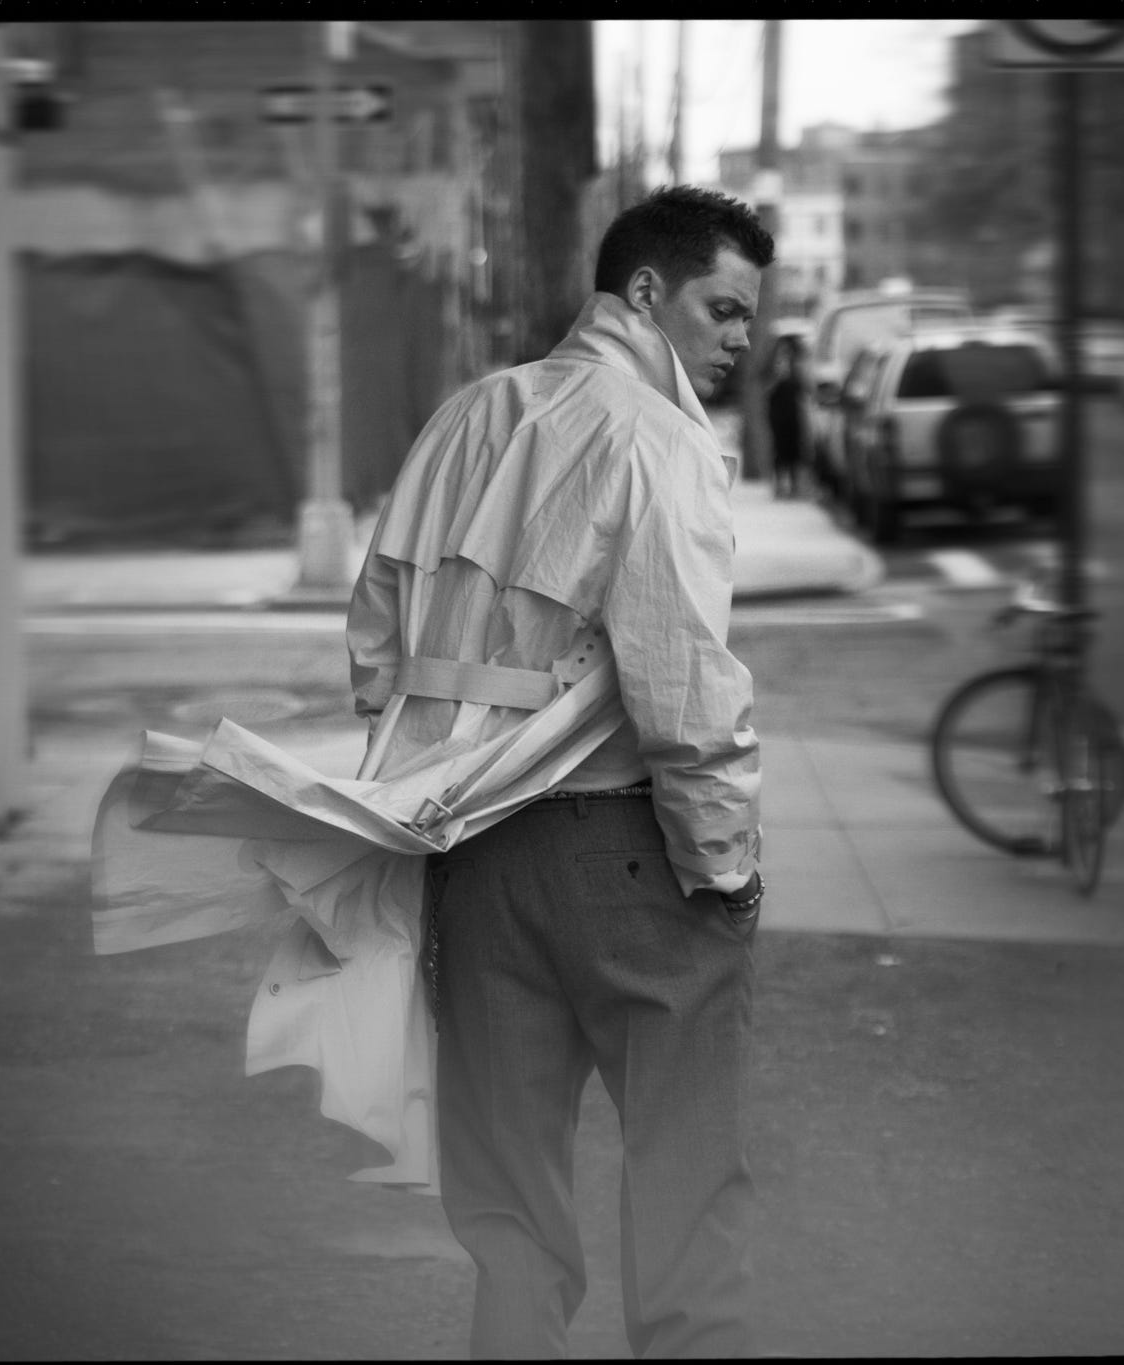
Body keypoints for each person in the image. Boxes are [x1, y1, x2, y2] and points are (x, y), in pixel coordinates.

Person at [346, 186, 771, 1359]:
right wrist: (724, 870)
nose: (740, 338)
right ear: (645, 292)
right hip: (630, 862)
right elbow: (685, 693)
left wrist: (441, 779)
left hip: (476, 862)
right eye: (722, 309)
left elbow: (377, 638)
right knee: (686, 1195)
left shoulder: (469, 416)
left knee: (509, 1217)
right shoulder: (659, 441)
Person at [767, 332, 808, 499]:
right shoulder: (773, 365)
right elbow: (766, 388)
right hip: (778, 413)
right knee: (779, 449)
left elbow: (805, 388)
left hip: (794, 412)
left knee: (796, 449)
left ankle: (796, 486)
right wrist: (778, 376)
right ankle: (780, 486)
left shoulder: (798, 366)